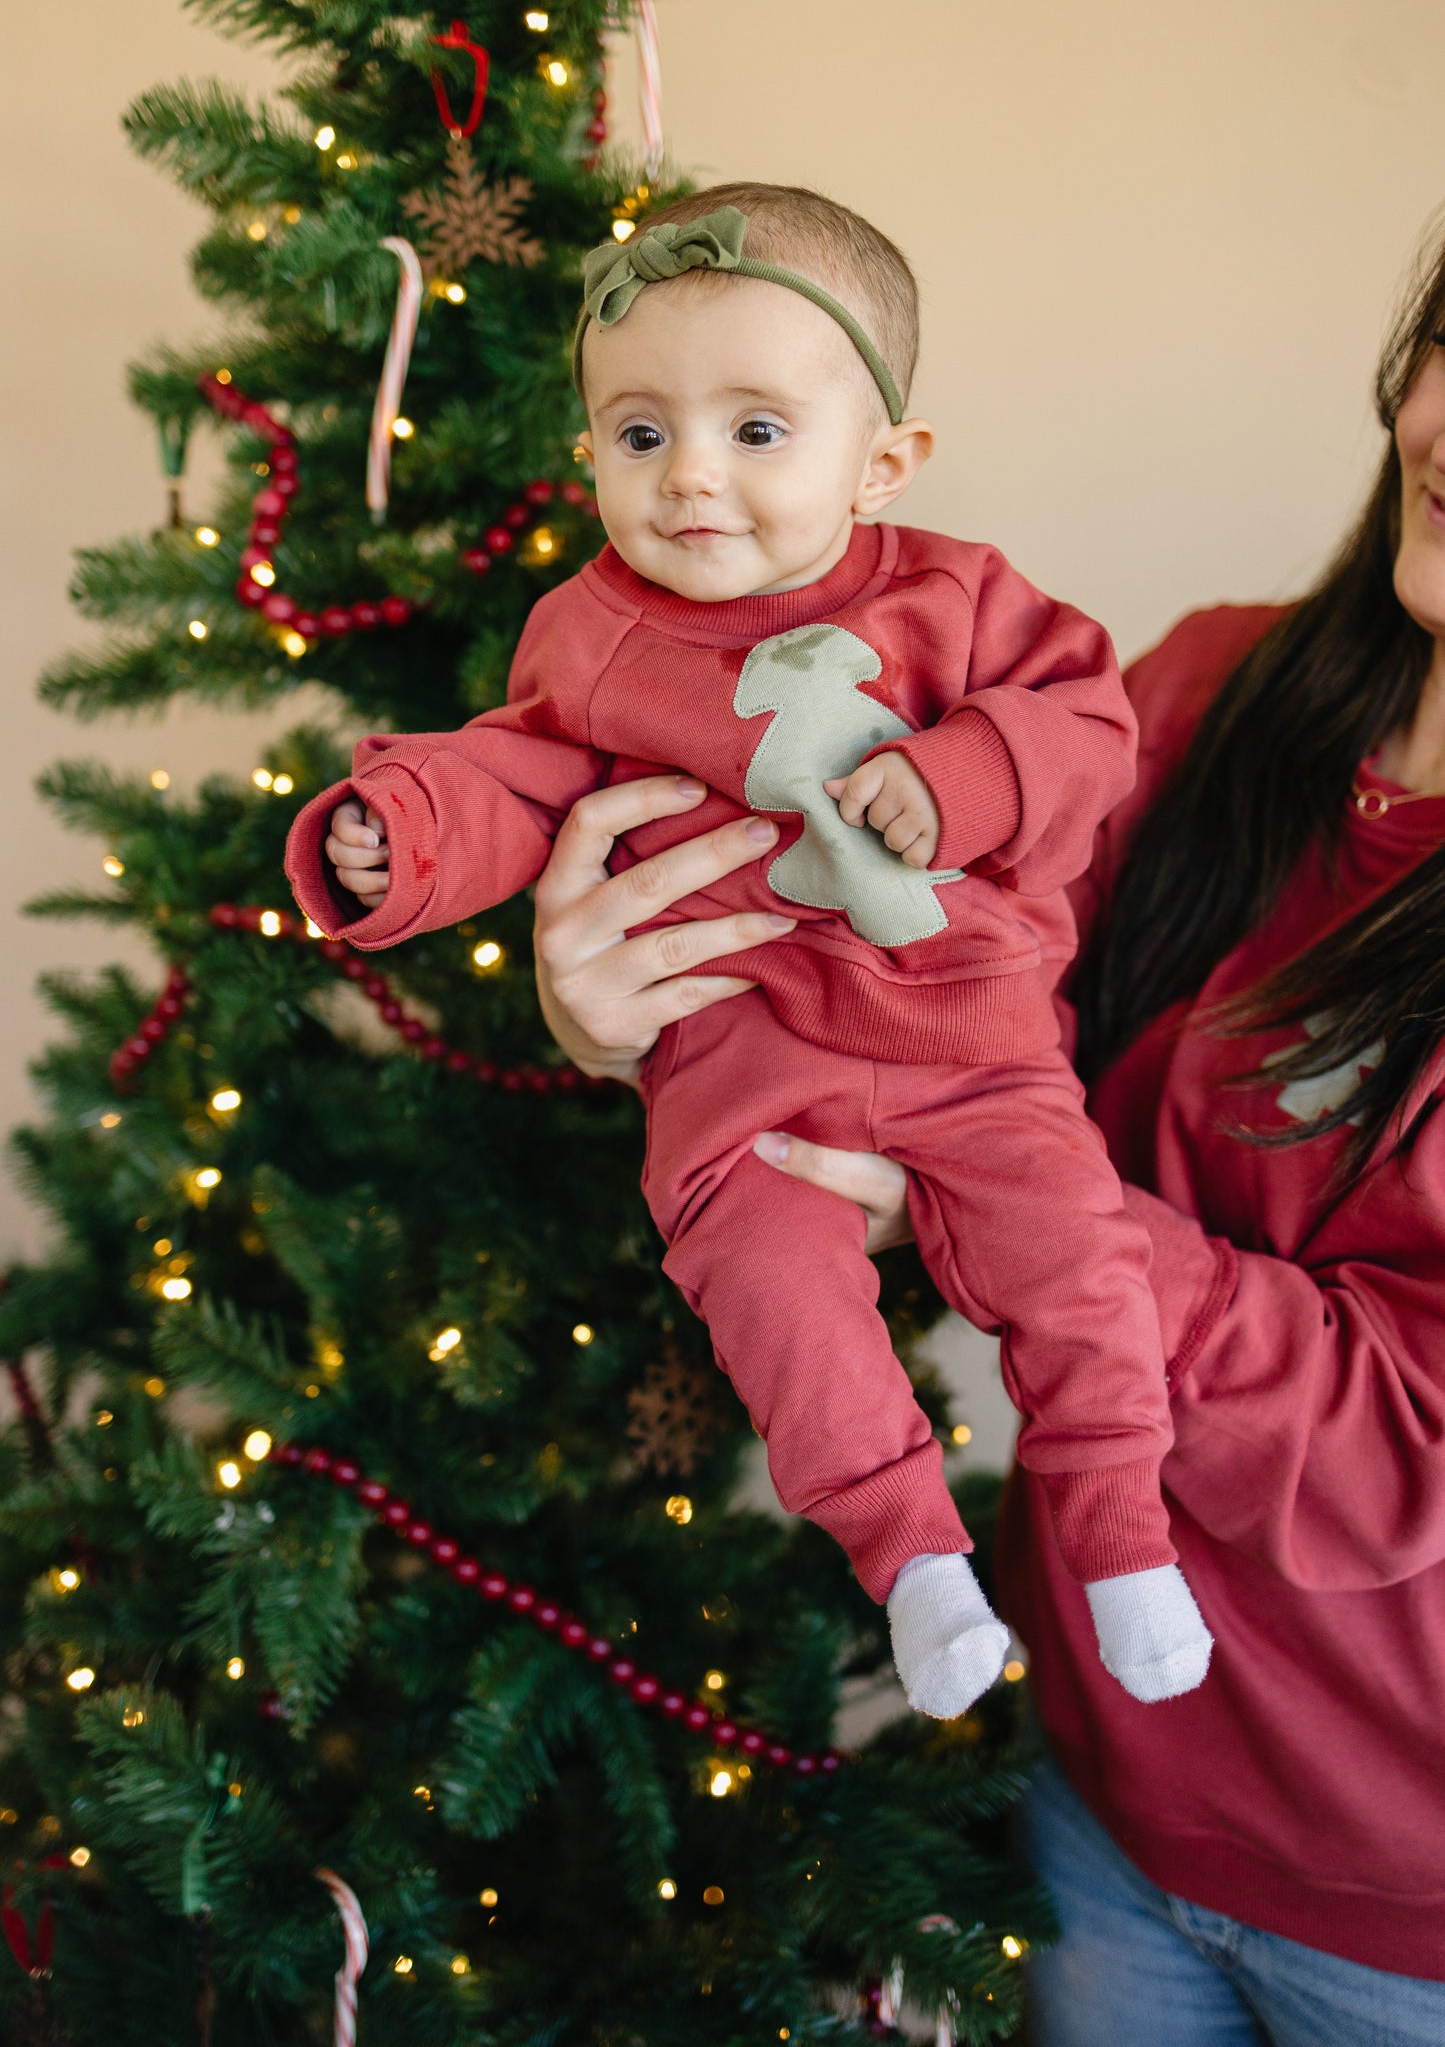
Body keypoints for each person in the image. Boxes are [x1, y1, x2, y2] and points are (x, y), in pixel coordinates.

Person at [530, 228, 1445, 2044]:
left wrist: (1017, 1222)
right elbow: (908, 987)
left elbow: (1406, 1447)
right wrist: (625, 1008)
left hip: (1402, 1905)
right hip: (1100, 1786)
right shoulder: (1196, 698)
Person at [284, 182, 1213, 1723]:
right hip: (741, 1070)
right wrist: (398, 827)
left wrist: (961, 775)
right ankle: (909, 1553)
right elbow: (515, 776)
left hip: (964, 1047)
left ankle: (1119, 1532)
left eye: (756, 432)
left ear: (884, 461)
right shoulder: (588, 636)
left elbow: (1085, 722)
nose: (689, 480)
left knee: (1077, 1260)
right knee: (772, 1297)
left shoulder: (961, 599)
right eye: (639, 434)